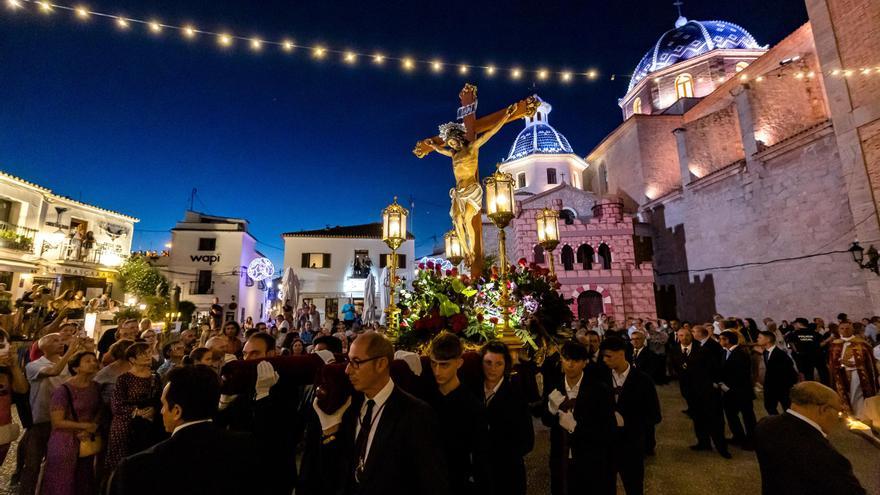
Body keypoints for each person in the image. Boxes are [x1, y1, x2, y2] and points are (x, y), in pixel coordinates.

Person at [301, 331, 449, 495]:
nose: (348, 370)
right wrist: (330, 432)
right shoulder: (349, 407)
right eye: (349, 361)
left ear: (381, 364)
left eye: (356, 362)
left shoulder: (415, 413)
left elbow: (432, 482)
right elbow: (335, 474)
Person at [109, 365, 269, 494]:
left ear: (177, 411)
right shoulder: (247, 446)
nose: (161, 411)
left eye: (164, 405)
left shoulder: (138, 466)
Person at [754, 381, 865, 495]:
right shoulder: (825, 455)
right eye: (839, 412)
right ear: (824, 410)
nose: (838, 419)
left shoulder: (765, 425)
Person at [542, 341, 615, 495]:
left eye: (576, 361)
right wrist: (551, 409)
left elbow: (607, 428)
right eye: (567, 359)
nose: (570, 365)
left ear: (584, 363)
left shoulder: (599, 390)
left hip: (589, 458)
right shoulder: (554, 386)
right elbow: (546, 421)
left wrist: (576, 428)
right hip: (560, 457)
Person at [18, 334, 84, 495]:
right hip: (41, 420)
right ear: (42, 346)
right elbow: (54, 371)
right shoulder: (33, 365)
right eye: (55, 340)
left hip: (63, 422)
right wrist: (71, 352)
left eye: (61, 340)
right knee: (32, 464)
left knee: (57, 464)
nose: (60, 343)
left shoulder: (69, 365)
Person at [427, 332, 489, 493]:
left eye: (444, 364)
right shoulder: (425, 400)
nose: (437, 371)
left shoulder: (472, 407)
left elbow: (480, 457)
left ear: (459, 363)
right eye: (433, 364)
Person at [600, 337, 660, 494]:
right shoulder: (601, 379)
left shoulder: (643, 380)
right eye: (603, 356)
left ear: (621, 354)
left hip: (631, 445)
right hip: (606, 445)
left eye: (608, 356)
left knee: (633, 487)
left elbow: (654, 415)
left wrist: (628, 421)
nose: (604, 360)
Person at [41, 351, 101, 495]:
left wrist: (90, 429)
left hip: (87, 439)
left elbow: (99, 410)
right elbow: (57, 421)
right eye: (87, 361)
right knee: (62, 481)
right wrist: (84, 426)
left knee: (83, 480)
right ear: (75, 368)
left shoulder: (96, 387)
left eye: (94, 360)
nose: (93, 363)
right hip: (65, 441)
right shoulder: (63, 390)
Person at [479, 340, 533, 495]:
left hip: (507, 474)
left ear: (506, 366)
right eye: (488, 363)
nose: (492, 369)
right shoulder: (474, 392)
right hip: (479, 473)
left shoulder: (516, 396)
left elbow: (527, 441)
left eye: (498, 364)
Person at [105, 342, 165, 474]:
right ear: (132, 359)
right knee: (122, 465)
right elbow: (116, 404)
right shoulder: (124, 379)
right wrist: (137, 412)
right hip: (125, 425)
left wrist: (154, 410)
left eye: (148, 352)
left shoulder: (155, 376)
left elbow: (161, 398)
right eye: (142, 354)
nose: (147, 356)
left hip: (148, 424)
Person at [688, 325, 730, 458]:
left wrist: (716, 382)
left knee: (715, 420)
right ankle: (703, 442)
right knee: (699, 418)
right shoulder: (695, 346)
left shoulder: (711, 346)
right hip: (696, 388)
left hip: (710, 388)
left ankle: (721, 447)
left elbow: (717, 366)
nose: (691, 334)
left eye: (693, 332)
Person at [719, 330, 756, 449]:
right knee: (731, 415)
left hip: (741, 391)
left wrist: (728, 387)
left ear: (727, 340)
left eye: (721, 339)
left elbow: (740, 375)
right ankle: (739, 437)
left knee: (748, 417)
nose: (719, 341)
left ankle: (751, 441)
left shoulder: (740, 354)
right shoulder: (726, 352)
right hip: (730, 392)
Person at [0, 333, 27, 466]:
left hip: (3, 430)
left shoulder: (7, 371)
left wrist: (14, 366)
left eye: (6, 345)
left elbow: (22, 389)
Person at [758, 330, 798, 415]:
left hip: (782, 387)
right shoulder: (766, 352)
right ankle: (777, 423)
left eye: (760, 337)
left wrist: (788, 386)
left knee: (787, 408)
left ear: (768, 340)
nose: (757, 339)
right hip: (770, 387)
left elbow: (790, 371)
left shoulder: (780, 354)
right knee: (769, 407)